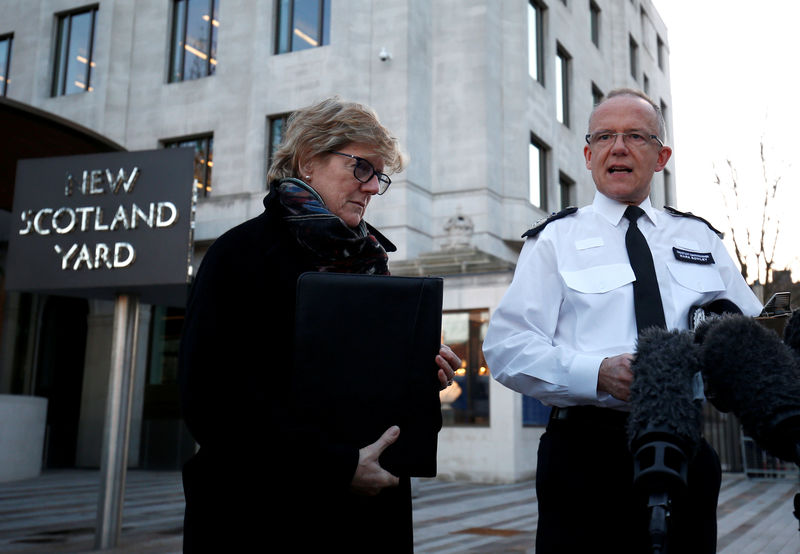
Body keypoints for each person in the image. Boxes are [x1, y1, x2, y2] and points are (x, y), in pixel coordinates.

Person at [482, 88, 762, 553]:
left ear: (661, 156)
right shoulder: (554, 240)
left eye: (635, 136)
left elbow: (749, 335)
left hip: (685, 443)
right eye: (605, 136)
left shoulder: (701, 238)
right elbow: (508, 348)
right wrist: (596, 373)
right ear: (589, 154)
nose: (618, 147)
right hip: (584, 454)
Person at [178, 97, 460, 552]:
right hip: (262, 518)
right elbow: (210, 403)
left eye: (379, 176)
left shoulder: (370, 261)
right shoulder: (240, 254)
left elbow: (367, 394)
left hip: (368, 516)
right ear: (308, 161)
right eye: (361, 168)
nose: (372, 188)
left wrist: (418, 373)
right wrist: (336, 467)